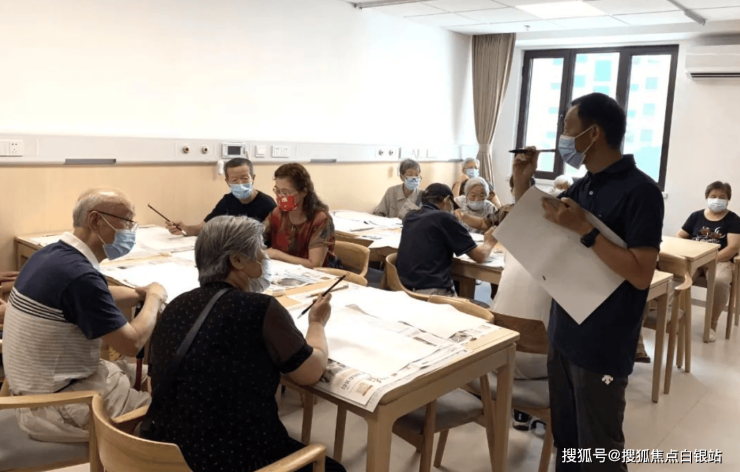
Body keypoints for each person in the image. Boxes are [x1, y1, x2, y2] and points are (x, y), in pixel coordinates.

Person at [513, 93, 664, 472]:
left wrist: (586, 230)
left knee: (599, 452)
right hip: (564, 331)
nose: (563, 137)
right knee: (567, 443)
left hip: (604, 341)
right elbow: (542, 224)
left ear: (593, 133)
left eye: (568, 128)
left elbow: (641, 274)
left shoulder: (641, 191)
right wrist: (522, 182)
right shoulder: (584, 185)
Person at [143, 216, 345, 472]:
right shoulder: (260, 309)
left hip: (162, 453)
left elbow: (154, 383)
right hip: (230, 458)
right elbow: (310, 372)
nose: (265, 257)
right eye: (260, 250)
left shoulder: (175, 306)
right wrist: (317, 323)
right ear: (237, 260)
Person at [2, 188, 167, 442]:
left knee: (156, 376)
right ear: (95, 220)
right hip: (58, 405)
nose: (130, 231)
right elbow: (132, 343)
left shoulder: (50, 256)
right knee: (167, 414)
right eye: (126, 221)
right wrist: (154, 298)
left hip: (43, 387)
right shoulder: (79, 276)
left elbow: (96, 295)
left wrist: (137, 294)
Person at [396, 183, 497, 296]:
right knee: (471, 305)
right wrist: (489, 242)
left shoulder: (410, 216)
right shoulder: (445, 218)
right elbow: (480, 256)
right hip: (431, 292)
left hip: (403, 289)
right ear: (447, 200)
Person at [677, 181, 740, 342]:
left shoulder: (733, 219)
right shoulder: (696, 216)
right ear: (707, 197)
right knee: (678, 277)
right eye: (713, 196)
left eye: (722, 197)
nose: (717, 200)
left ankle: (711, 324)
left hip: (721, 260)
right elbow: (680, 236)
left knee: (720, 281)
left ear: (728, 199)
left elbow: (733, 248)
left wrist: (709, 259)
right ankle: (675, 318)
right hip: (694, 259)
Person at [166, 158, 276, 236]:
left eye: (244, 178)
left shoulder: (267, 204)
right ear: (227, 182)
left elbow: (273, 237)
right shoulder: (228, 201)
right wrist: (185, 229)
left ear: (253, 178)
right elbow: (204, 228)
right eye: (234, 180)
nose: (240, 183)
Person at [264, 163, 337, 269]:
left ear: (303, 192)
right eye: (277, 191)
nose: (280, 196)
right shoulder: (277, 213)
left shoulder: (320, 219)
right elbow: (258, 235)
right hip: (283, 271)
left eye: (285, 192)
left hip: (315, 275)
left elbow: (314, 264)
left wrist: (276, 255)